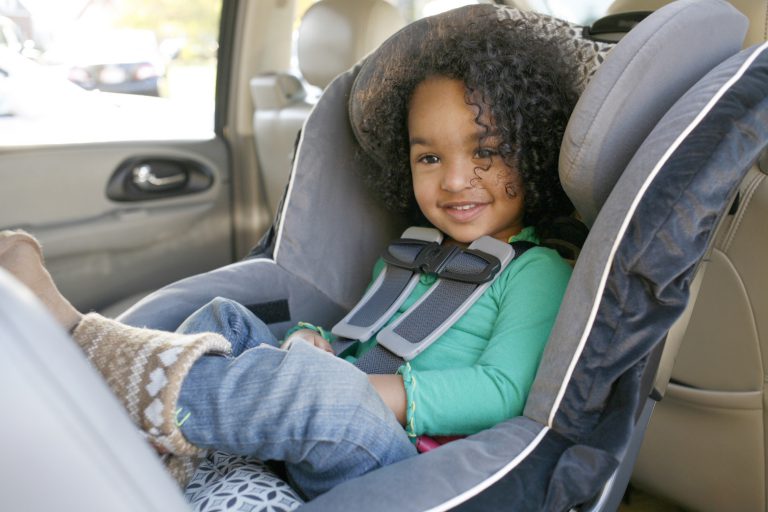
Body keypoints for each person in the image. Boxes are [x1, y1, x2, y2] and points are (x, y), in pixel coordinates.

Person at [0, 11, 578, 500]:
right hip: (333, 410)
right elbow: (360, 337)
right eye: (429, 158)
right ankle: (154, 432)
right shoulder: (409, 257)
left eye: (488, 151)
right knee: (228, 319)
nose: (455, 180)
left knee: (326, 395)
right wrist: (309, 341)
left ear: (533, 150)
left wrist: (375, 393)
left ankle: (85, 355)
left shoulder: (536, 271)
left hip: (406, 459)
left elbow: (503, 389)